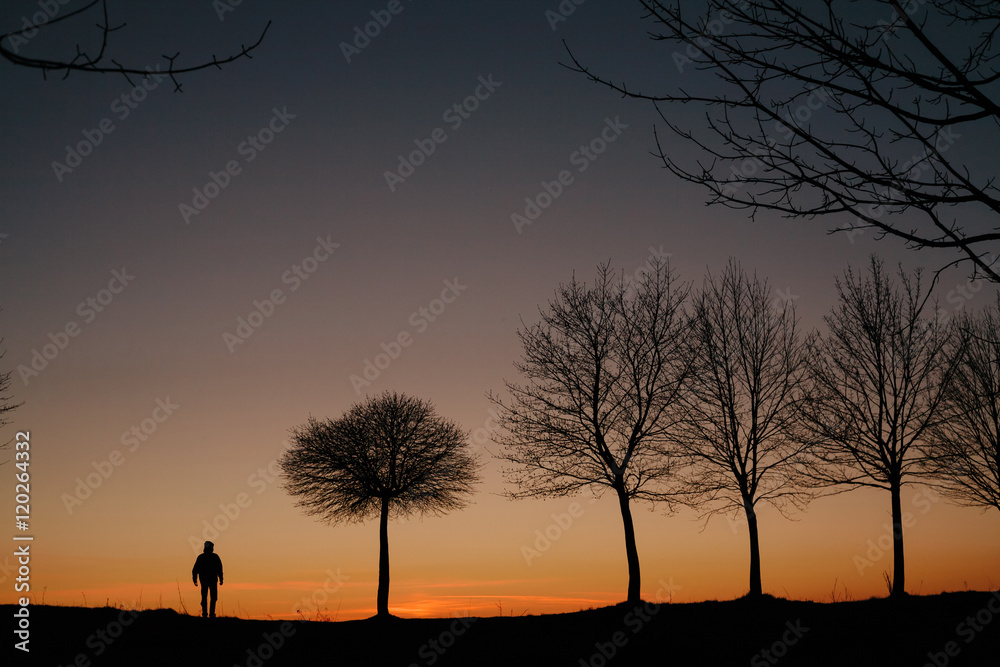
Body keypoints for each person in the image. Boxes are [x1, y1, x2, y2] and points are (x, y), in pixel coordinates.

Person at [192, 540, 224, 617]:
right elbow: (219, 569)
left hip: (206, 580)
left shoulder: (202, 557)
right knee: (211, 597)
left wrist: (195, 579)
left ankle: (207, 614)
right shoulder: (214, 557)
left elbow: (195, 569)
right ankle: (209, 614)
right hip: (209, 580)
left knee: (207, 597)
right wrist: (221, 578)